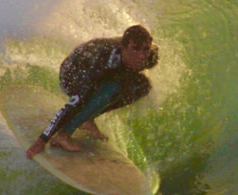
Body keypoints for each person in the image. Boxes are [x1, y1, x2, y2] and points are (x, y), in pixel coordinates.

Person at [26, 25, 158, 157]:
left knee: (142, 86)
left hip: (104, 73)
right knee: (110, 89)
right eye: (135, 49)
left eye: (145, 49)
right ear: (123, 48)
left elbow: (143, 57)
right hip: (72, 74)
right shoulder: (100, 64)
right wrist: (42, 140)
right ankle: (64, 134)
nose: (141, 56)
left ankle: (87, 119)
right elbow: (73, 103)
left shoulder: (149, 56)